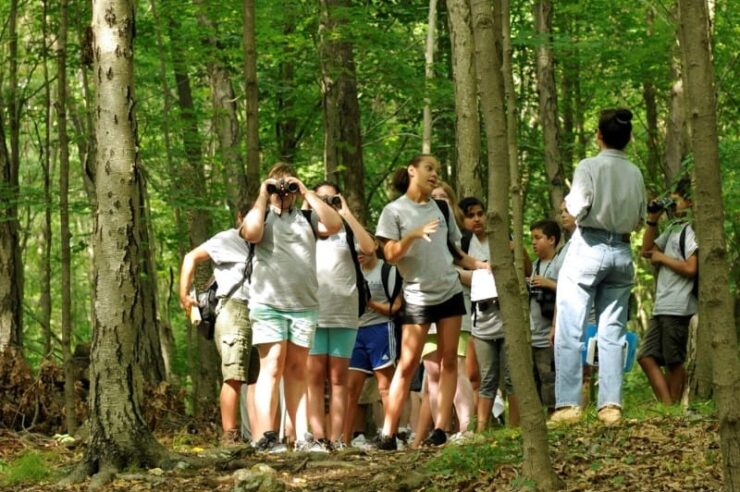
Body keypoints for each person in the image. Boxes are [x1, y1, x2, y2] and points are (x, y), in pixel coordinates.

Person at [374, 154, 489, 450]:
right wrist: (412, 235)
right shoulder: (393, 211)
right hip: (417, 296)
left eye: (437, 169)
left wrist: (480, 265)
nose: (434, 174)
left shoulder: (440, 207)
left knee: (450, 359)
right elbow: (389, 255)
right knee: (409, 364)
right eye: (429, 168)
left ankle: (440, 428)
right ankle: (388, 433)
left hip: (449, 291)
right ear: (412, 171)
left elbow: (455, 252)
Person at [551, 108, 645, 426]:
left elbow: (577, 207)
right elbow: (640, 218)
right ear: (629, 139)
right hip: (622, 248)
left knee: (570, 326)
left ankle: (568, 405)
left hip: (589, 245)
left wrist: (568, 200)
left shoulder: (588, 166)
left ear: (599, 136)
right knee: (612, 330)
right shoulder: (635, 172)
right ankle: (610, 407)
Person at [240, 162, 342, 452]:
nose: (282, 192)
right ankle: (266, 436)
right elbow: (252, 233)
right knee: (270, 367)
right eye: (277, 186)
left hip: (304, 305)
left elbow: (334, 225)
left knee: (298, 370)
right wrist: (264, 194)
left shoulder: (308, 218)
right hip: (268, 304)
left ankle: (300, 435)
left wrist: (307, 191)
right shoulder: (261, 215)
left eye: (288, 186)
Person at [179, 200, 258, 446]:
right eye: (250, 219)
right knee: (234, 375)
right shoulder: (227, 239)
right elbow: (191, 257)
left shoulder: (267, 243)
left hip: (262, 312)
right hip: (234, 309)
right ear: (240, 218)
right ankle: (230, 435)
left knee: (258, 379)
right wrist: (185, 294)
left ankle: (259, 436)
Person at [304, 182, 375, 451]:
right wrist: (307, 203)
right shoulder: (306, 228)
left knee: (338, 379)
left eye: (330, 198)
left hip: (344, 312)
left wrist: (346, 212)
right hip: (312, 312)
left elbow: (369, 248)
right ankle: (318, 438)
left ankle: (337, 439)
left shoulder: (346, 230)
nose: (326, 202)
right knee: (314, 379)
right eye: (320, 198)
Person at [637, 178, 697, 405]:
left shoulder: (691, 230)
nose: (671, 206)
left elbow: (691, 268)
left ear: (690, 203)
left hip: (679, 305)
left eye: (676, 202)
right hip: (662, 305)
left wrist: (662, 257)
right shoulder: (673, 228)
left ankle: (672, 410)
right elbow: (645, 251)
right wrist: (652, 220)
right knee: (645, 355)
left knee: (674, 360)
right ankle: (668, 406)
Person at [458, 196, 512, 432]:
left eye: (480, 213)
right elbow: (458, 274)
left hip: (506, 316)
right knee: (480, 376)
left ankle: (516, 427)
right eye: (471, 216)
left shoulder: (499, 239)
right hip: (477, 319)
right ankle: (480, 429)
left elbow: (520, 268)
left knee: (512, 378)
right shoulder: (461, 244)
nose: (477, 219)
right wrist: (486, 270)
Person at [343, 239, 402, 446]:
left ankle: (390, 435)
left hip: (381, 330)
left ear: (374, 246)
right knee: (351, 389)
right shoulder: (351, 271)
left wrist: (370, 303)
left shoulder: (388, 271)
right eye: (355, 249)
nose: (360, 252)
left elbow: (396, 306)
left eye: (363, 248)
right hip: (356, 332)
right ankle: (345, 439)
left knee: (385, 386)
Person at [527, 219, 561, 414]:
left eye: (538, 238)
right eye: (532, 238)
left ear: (551, 239)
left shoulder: (559, 264)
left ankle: (554, 417)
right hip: (531, 335)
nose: (533, 243)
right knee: (534, 380)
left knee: (550, 378)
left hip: (549, 335)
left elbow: (569, 291)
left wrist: (548, 283)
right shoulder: (533, 266)